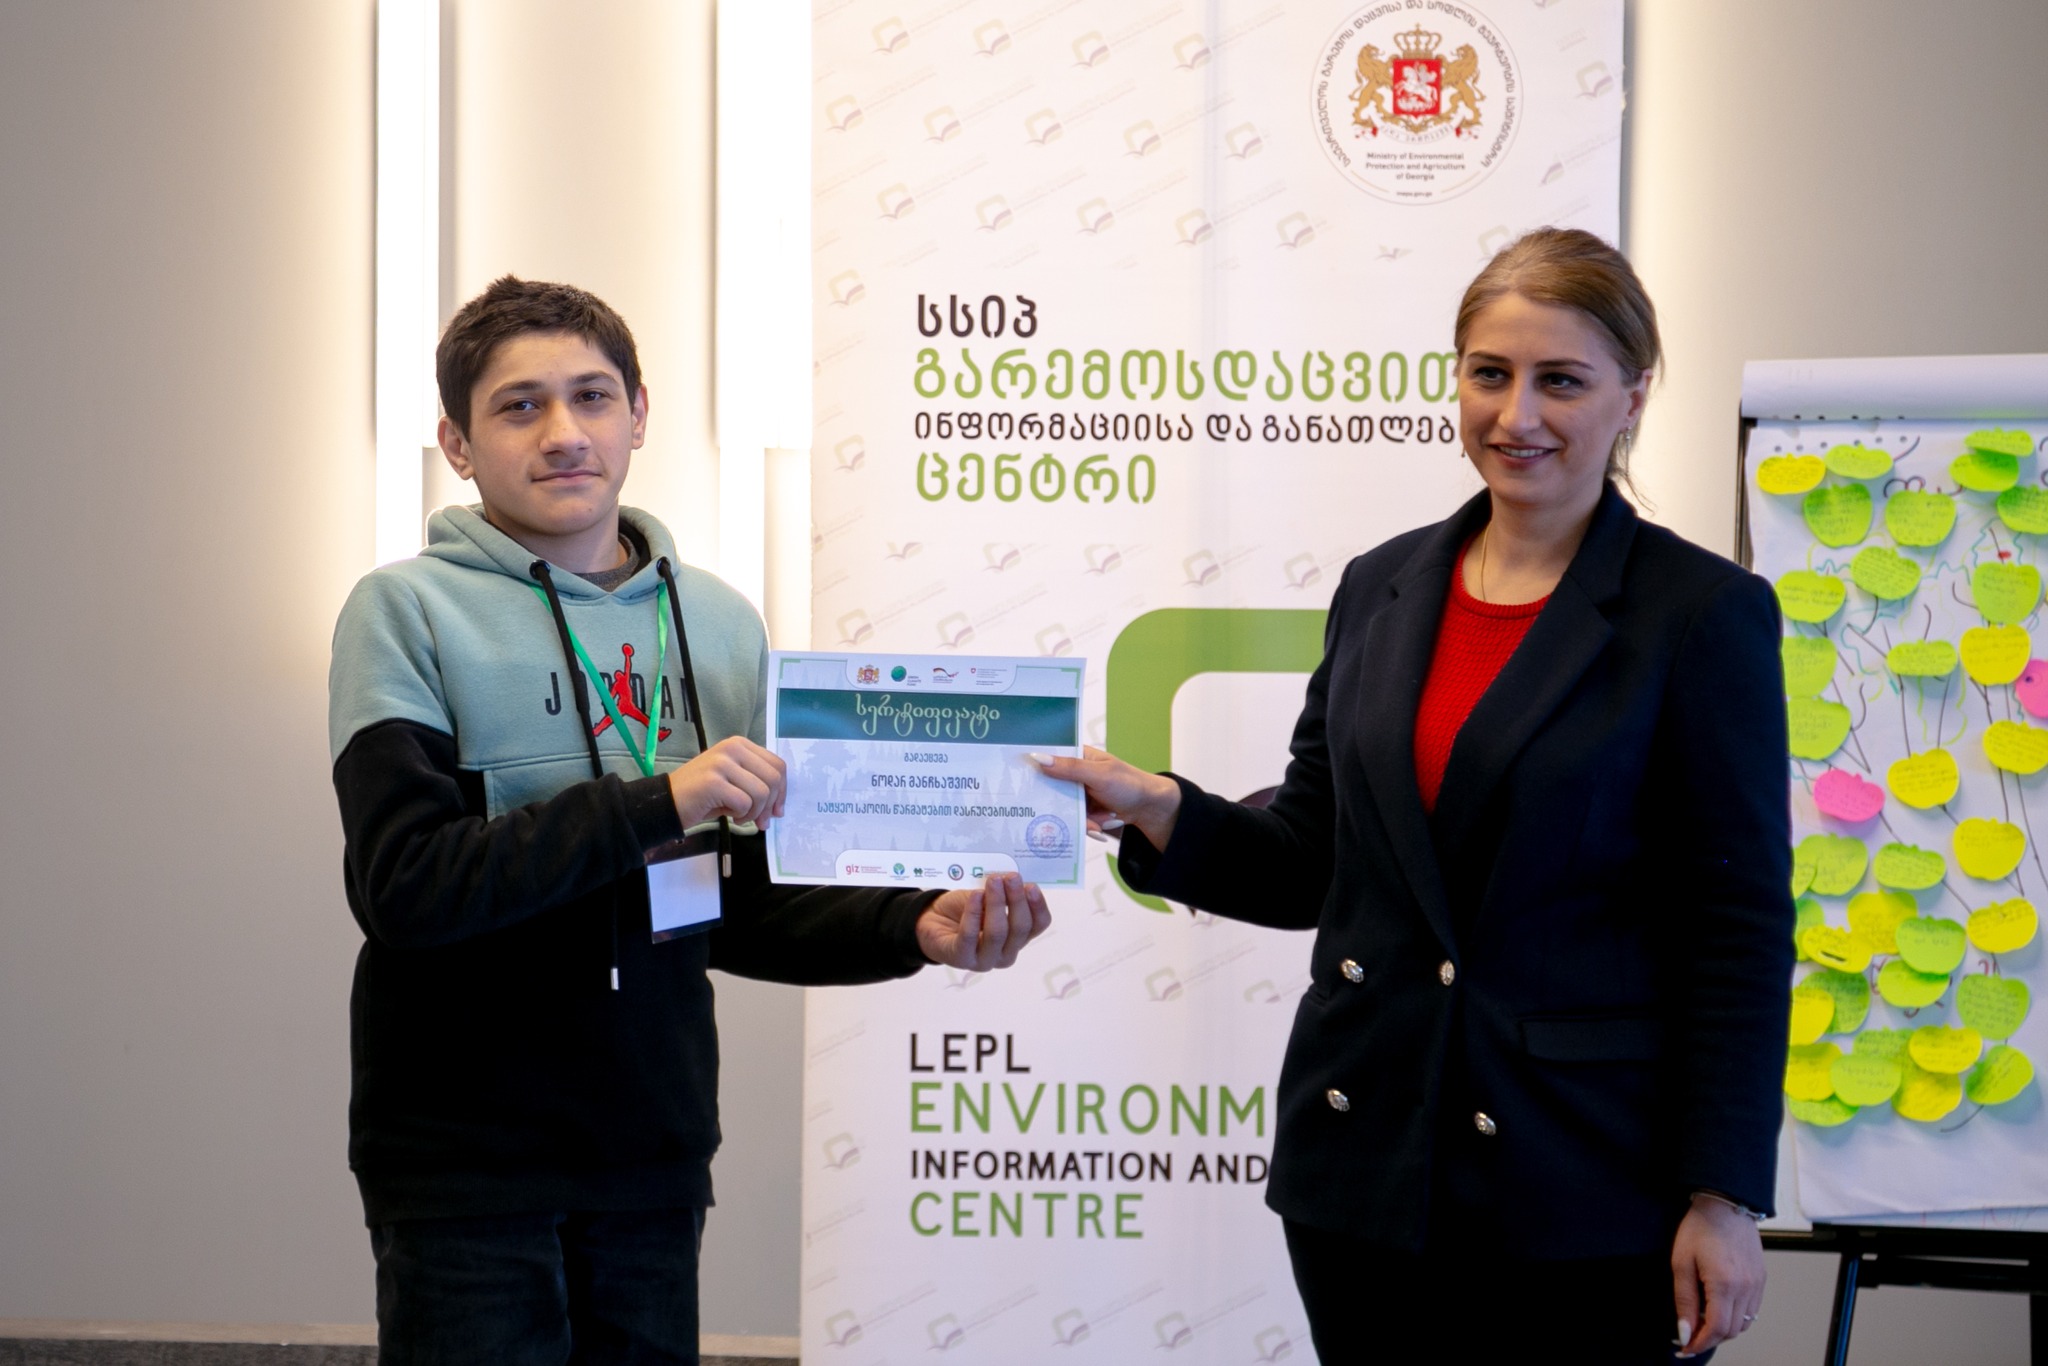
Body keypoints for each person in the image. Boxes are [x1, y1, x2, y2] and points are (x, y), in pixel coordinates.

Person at [1037, 228, 1791, 1363]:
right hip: (1363, 1174)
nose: (1516, 414)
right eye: (1490, 373)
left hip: (1583, 1186)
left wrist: (1722, 1195)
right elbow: (1312, 856)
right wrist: (1159, 809)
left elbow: (1736, 928)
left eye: (1561, 380)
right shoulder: (1379, 584)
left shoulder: (1700, 613)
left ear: (1632, 397)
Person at [328, 276, 1050, 1365]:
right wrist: (660, 799)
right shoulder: (404, 611)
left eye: (592, 396)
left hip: (652, 1150)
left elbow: (735, 903)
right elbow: (409, 888)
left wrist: (911, 923)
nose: (564, 432)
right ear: (457, 443)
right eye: (520, 406)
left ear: (639, 414)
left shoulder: (716, 621)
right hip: (463, 1158)